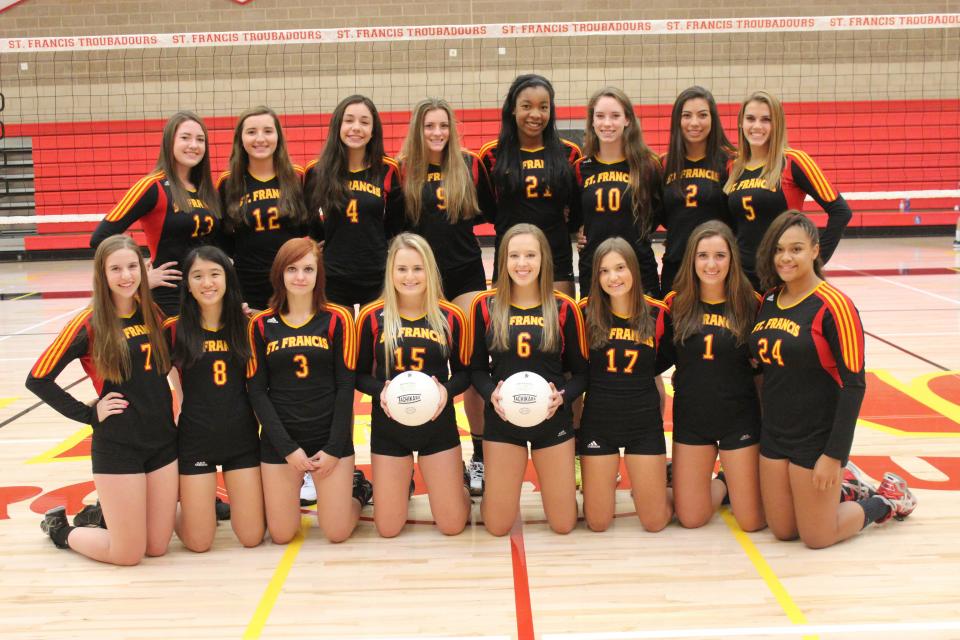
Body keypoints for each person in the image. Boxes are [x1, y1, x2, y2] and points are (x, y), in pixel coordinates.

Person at [750, 211, 916, 548]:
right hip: (775, 433)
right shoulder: (768, 300)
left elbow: (854, 386)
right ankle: (847, 488)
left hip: (816, 438)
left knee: (817, 537)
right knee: (782, 530)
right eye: (779, 249)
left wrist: (834, 455)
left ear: (814, 250)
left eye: (795, 249)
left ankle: (886, 500)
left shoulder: (836, 306)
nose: (785, 257)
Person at [29, 234, 178, 565]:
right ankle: (60, 530)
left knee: (156, 547)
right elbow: (38, 378)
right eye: (116, 269)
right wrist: (89, 414)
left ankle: (100, 516)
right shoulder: (89, 322)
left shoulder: (151, 311)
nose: (125, 276)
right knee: (127, 555)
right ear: (102, 274)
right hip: (120, 446)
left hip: (163, 442)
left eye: (131, 267)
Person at [397, 97, 493, 496]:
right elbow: (392, 227)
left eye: (443, 126)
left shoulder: (470, 165)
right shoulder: (402, 172)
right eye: (429, 126)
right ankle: (405, 461)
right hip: (421, 280)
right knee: (416, 365)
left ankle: (481, 457)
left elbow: (494, 212)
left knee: (470, 366)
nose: (437, 133)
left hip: (466, 274)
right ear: (418, 130)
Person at [247, 237, 370, 544]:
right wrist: (287, 448)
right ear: (280, 274)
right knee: (282, 535)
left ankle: (356, 491)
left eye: (308, 269)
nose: (300, 277)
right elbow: (258, 392)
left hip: (329, 439)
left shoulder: (338, 319)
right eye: (292, 269)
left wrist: (333, 447)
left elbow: (346, 387)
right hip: (280, 442)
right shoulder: (261, 325)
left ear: (319, 274)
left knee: (337, 533)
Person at [469, 223, 588, 535]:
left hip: (552, 422)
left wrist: (563, 396)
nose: (522, 263)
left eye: (530, 255)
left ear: (543, 260)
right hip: (503, 422)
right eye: (514, 255)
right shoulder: (486, 305)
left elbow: (582, 374)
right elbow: (477, 369)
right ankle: (489, 493)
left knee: (563, 525)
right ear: (502, 261)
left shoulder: (563, 307)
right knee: (497, 526)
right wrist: (489, 394)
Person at [355, 234, 472, 537]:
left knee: (452, 525)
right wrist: (380, 390)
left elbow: (465, 373)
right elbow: (358, 375)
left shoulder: (450, 316)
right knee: (388, 529)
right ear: (390, 272)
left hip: (438, 426)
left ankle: (454, 482)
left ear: (430, 271)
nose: (410, 277)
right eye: (402, 269)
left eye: (417, 268)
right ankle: (372, 490)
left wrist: (446, 389)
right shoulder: (371, 317)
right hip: (390, 429)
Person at [660, 221, 764, 531]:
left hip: (740, 419)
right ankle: (724, 482)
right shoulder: (675, 304)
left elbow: (765, 369)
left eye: (719, 255)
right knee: (691, 519)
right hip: (693, 420)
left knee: (752, 522)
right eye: (703, 256)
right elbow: (656, 361)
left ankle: (734, 479)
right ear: (692, 259)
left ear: (732, 258)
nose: (711, 264)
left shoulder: (751, 303)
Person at [164, 245, 264, 551]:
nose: (207, 283)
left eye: (214, 274)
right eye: (197, 276)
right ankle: (166, 509)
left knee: (251, 538)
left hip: (242, 440)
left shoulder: (247, 325)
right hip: (196, 441)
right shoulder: (173, 329)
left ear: (228, 279)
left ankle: (206, 507)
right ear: (188, 285)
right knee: (199, 543)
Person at [578, 237, 672, 532]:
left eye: (620, 268)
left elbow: (665, 358)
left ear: (633, 268)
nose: (613, 277)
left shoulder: (657, 312)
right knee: (597, 523)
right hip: (599, 423)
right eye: (604, 271)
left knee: (655, 522)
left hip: (643, 424)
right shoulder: (585, 312)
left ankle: (671, 490)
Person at [90, 111, 221, 316]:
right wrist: (140, 276)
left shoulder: (207, 191)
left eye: (200, 139)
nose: (194, 145)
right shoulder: (151, 186)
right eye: (185, 138)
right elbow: (100, 237)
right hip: (169, 296)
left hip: (205, 291)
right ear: (169, 142)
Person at [724, 91, 852, 289]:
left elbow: (841, 212)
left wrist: (811, 266)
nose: (757, 126)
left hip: (781, 279)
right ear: (741, 123)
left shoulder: (794, 161)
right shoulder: (733, 166)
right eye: (750, 119)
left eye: (766, 120)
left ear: (777, 125)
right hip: (742, 282)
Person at [480, 74, 581, 298]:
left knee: (558, 325)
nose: (535, 114)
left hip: (556, 254)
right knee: (506, 327)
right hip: (511, 255)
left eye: (543, 107)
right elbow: (489, 210)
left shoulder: (569, 153)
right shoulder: (491, 155)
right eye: (527, 106)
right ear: (513, 109)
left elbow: (575, 208)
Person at [304, 95, 403, 308]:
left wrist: (378, 242)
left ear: (373, 130)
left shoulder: (388, 169)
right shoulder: (317, 171)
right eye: (349, 120)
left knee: (376, 339)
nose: (356, 127)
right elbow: (308, 218)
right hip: (333, 275)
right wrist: (320, 240)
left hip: (376, 274)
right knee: (340, 339)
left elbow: (397, 223)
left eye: (364, 122)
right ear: (337, 125)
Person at [218, 106, 312, 312]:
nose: (260, 138)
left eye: (268, 131)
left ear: (278, 136)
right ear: (240, 139)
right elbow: (221, 238)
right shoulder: (227, 183)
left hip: (291, 282)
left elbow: (307, 228)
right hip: (248, 287)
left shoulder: (296, 177)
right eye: (251, 132)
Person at [574, 87, 662, 298]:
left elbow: (657, 213)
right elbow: (574, 214)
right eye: (600, 116)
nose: (607, 123)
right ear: (592, 121)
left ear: (627, 120)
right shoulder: (579, 168)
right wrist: (579, 231)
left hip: (638, 265)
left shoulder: (647, 166)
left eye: (615, 116)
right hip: (595, 267)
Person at [660, 86, 736, 294]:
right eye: (687, 116)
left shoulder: (730, 163)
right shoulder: (665, 164)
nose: (694, 123)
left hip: (717, 270)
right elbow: (658, 215)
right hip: (676, 267)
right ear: (677, 120)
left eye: (702, 115)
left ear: (713, 119)